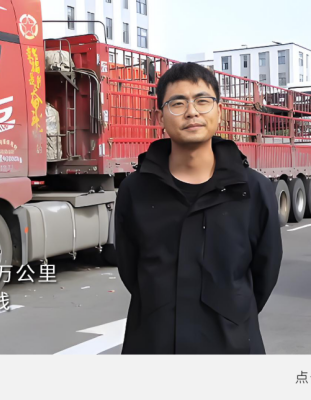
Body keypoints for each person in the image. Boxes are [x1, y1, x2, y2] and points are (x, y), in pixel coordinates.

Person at [114, 62, 283, 354]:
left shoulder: (252, 189)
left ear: (219, 111)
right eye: (178, 103)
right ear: (160, 116)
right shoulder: (135, 190)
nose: (192, 112)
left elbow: (265, 272)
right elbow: (130, 270)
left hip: (232, 347)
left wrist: (231, 314)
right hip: (154, 344)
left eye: (202, 101)